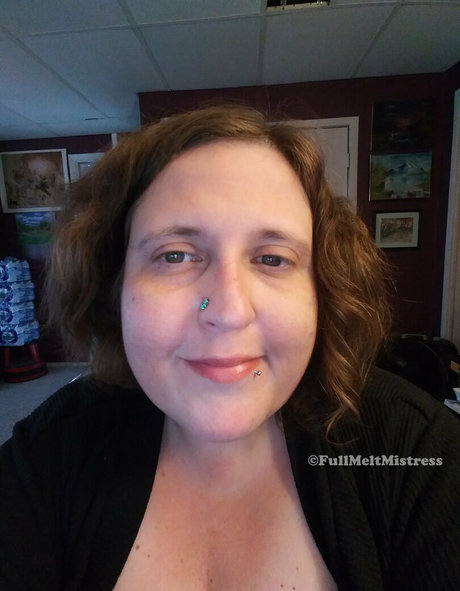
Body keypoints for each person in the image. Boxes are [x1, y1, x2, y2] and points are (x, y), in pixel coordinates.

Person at [0, 104, 458, 591]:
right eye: (175, 255)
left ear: (321, 291)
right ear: (115, 285)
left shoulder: (415, 453)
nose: (229, 310)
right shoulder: (49, 456)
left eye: (272, 259)